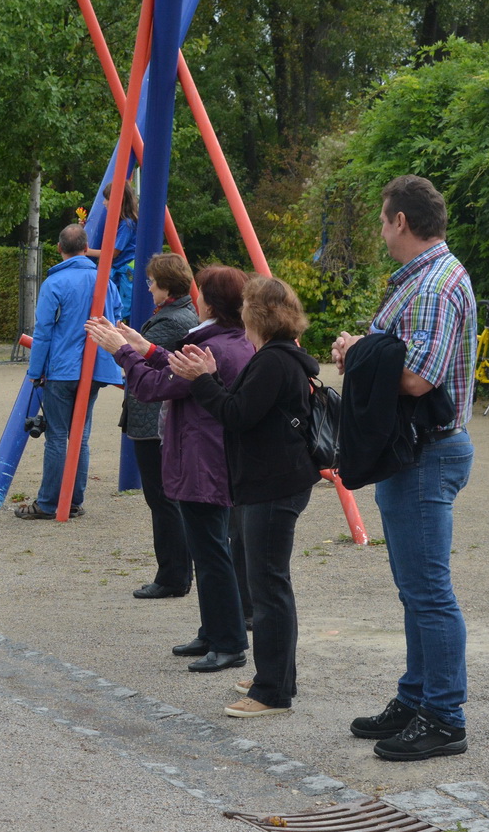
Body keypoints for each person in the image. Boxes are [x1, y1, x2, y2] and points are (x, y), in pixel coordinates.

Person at [331, 175, 478, 762]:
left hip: (425, 454)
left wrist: (355, 352)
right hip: (413, 451)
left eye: (382, 219)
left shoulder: (436, 286)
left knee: (428, 592)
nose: (380, 230)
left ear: (400, 221)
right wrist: (363, 348)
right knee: (415, 591)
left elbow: (419, 376)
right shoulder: (424, 281)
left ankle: (444, 717)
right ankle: (416, 697)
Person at [167, 276, 321, 716]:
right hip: (275, 482)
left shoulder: (274, 360)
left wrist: (201, 379)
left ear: (258, 314)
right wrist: (212, 378)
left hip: (273, 486)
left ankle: (272, 691)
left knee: (268, 587)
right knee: (270, 584)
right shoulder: (278, 356)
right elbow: (245, 407)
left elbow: (235, 415)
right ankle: (275, 675)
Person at [88, 266, 254, 673]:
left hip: (203, 460)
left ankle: (229, 641)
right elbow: (173, 369)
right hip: (210, 458)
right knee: (209, 547)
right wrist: (143, 347)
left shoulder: (212, 345)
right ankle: (214, 632)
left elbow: (154, 387)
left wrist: (120, 351)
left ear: (210, 302)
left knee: (212, 552)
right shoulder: (230, 339)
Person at [14, 224, 124, 520]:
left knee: (57, 436)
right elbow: (117, 317)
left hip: (63, 369)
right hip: (95, 368)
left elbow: (44, 330)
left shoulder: (55, 282)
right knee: (81, 436)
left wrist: (35, 370)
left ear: (59, 249)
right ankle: (73, 500)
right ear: (86, 249)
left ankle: (49, 502)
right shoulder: (105, 281)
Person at [117, 252, 199, 598]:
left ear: (165, 286)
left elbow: (153, 369)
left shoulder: (172, 322)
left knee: (163, 500)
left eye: (151, 282)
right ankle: (174, 571)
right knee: (164, 499)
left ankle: (173, 575)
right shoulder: (176, 315)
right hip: (152, 419)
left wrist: (120, 347)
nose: (148, 287)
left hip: (154, 422)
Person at [92, 181, 140, 320]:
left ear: (119, 200)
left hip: (126, 272)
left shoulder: (127, 224)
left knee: (124, 311)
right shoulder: (119, 221)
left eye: (107, 199)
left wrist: (87, 250)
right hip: (119, 270)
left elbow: (112, 253)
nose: (104, 203)